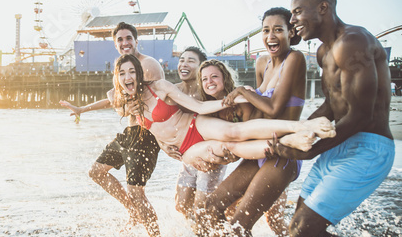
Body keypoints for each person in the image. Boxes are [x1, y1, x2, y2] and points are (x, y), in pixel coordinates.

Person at [266, 0, 396, 237]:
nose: (292, 20)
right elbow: (332, 105)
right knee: (297, 229)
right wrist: (297, 131)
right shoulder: (324, 51)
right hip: (339, 143)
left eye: (298, 12)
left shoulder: (353, 42)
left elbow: (360, 115)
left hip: (368, 147)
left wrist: (308, 150)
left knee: (303, 232)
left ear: (323, 8)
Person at [201, 7, 308, 237]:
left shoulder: (294, 59)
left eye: (278, 30)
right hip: (257, 151)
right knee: (212, 207)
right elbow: (257, 114)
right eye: (265, 30)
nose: (271, 36)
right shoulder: (262, 63)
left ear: (291, 32)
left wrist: (242, 91)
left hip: (281, 155)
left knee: (239, 224)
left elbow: (273, 108)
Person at [113, 53, 335, 170]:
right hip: (185, 149)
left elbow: (199, 107)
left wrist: (232, 100)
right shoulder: (127, 107)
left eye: (132, 71)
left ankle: (303, 126)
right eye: (122, 74)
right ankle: (286, 143)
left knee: (235, 132)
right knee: (229, 147)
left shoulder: (159, 87)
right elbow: (153, 131)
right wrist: (163, 145)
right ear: (118, 78)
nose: (128, 77)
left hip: (194, 123)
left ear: (139, 73)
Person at [60, 22, 165, 237]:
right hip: (128, 133)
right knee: (96, 172)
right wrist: (82, 109)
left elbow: (163, 102)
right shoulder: (123, 67)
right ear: (115, 43)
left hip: (146, 136)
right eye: (120, 39)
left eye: (129, 38)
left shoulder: (149, 65)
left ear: (137, 41)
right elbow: (115, 101)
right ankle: (133, 211)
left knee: (137, 193)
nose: (125, 43)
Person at [171, 47, 228, 220]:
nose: (184, 64)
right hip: (189, 154)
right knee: (181, 204)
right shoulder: (173, 91)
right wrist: (166, 146)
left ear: (201, 66)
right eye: (182, 59)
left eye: (190, 60)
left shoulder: (208, 92)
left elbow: (228, 125)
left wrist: (217, 158)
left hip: (210, 153)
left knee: (203, 208)